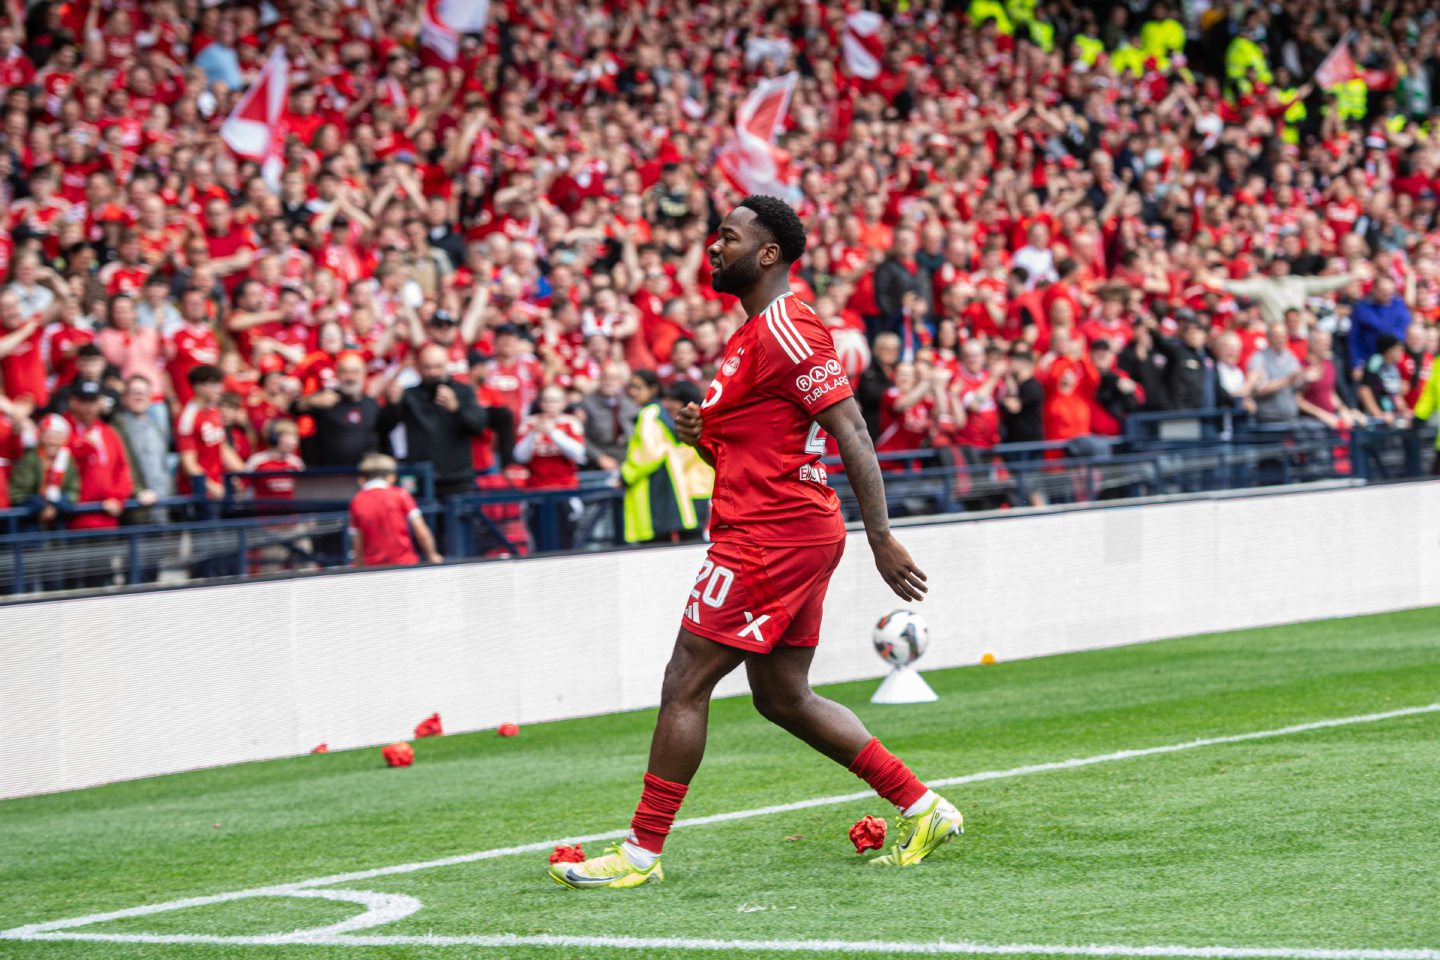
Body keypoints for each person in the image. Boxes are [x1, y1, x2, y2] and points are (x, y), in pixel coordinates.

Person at [553, 196, 956, 890]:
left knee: (686, 680)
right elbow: (750, 456)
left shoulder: (790, 327)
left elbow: (851, 430)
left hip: (774, 535)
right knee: (782, 697)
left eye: (728, 237)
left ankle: (640, 855)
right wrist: (700, 440)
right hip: (777, 525)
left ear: (768, 253)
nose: (713, 246)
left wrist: (882, 538)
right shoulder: (744, 341)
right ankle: (923, 807)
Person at [380, 344, 490, 498]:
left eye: (438, 367)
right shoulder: (410, 395)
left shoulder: (463, 391)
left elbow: (478, 427)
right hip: (421, 477)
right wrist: (392, 404)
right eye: (427, 367)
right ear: (418, 368)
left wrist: (456, 409)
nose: (433, 372)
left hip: (457, 479)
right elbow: (384, 426)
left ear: (447, 365)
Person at [619, 368, 702, 544]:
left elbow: (649, 453)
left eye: (638, 387)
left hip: (654, 490)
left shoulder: (649, 413)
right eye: (631, 387)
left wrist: (626, 474)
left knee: (654, 549)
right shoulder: (659, 412)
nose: (633, 392)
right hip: (668, 488)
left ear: (653, 389)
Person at [513, 384, 587, 549]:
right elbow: (520, 456)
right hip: (536, 491)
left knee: (568, 540)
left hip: (565, 491)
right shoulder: (529, 424)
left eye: (555, 401)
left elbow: (579, 454)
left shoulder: (571, 423)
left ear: (563, 403)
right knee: (539, 542)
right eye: (546, 401)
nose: (550, 405)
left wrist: (554, 433)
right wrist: (533, 434)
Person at [347, 452, 442, 568]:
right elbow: (421, 531)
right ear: (392, 477)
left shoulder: (357, 501)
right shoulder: (401, 495)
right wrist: (432, 555)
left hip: (372, 569)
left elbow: (357, 539)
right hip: (405, 565)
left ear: (361, 479)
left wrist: (358, 565)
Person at [64, 380, 134, 531]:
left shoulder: (109, 433)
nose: (89, 407)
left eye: (93, 401)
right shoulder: (62, 431)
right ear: (73, 402)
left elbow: (122, 470)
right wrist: (84, 448)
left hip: (106, 517)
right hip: (73, 519)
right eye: (84, 401)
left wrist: (117, 498)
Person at [292, 351, 382, 468]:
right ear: (337, 374)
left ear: (363, 374)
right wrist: (312, 401)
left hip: (365, 475)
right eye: (344, 371)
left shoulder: (372, 404)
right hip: (330, 476)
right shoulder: (325, 398)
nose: (350, 377)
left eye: (355, 372)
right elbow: (293, 408)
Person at [176, 365, 246, 502]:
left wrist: (243, 472)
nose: (219, 389)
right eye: (213, 385)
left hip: (219, 487)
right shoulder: (188, 418)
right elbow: (189, 463)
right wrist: (211, 487)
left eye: (220, 384)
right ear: (198, 387)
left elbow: (222, 447)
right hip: (197, 493)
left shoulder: (214, 411)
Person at [8, 414, 78, 529]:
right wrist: (42, 506)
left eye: (57, 436)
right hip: (31, 522)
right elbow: (17, 494)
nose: (52, 441)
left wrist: (57, 505)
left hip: (59, 521)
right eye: (48, 436)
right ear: (40, 436)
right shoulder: (30, 459)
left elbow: (73, 491)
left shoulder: (67, 460)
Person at [578, 362, 639, 472]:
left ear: (621, 382)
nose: (609, 382)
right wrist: (599, 458)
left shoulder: (630, 404)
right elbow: (580, 436)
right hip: (597, 459)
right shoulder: (587, 403)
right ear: (600, 380)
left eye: (614, 378)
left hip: (627, 458)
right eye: (606, 377)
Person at [1248, 321, 1310, 426]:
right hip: (1267, 419)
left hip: (1291, 417)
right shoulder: (1258, 358)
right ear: (1268, 337)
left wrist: (1306, 379)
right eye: (1276, 336)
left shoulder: (1290, 356)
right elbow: (1259, 389)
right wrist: (1288, 380)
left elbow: (1296, 386)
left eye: (1283, 336)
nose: (1281, 339)